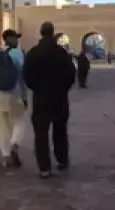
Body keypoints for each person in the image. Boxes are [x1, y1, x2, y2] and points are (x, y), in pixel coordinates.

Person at [23, 22, 76, 179]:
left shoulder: (33, 53)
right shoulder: (62, 53)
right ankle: (62, 159)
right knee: (60, 130)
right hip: (59, 97)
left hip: (41, 98)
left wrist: (36, 87)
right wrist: (63, 88)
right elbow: (71, 74)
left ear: (41, 33)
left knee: (41, 134)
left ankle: (44, 167)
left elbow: (27, 75)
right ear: (53, 33)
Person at [0, 29, 28, 168]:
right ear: (9, 39)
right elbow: (22, 78)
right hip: (14, 94)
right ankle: (14, 144)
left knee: (3, 127)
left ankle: (6, 157)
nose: (17, 41)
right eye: (16, 38)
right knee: (19, 122)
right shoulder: (18, 54)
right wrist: (24, 96)